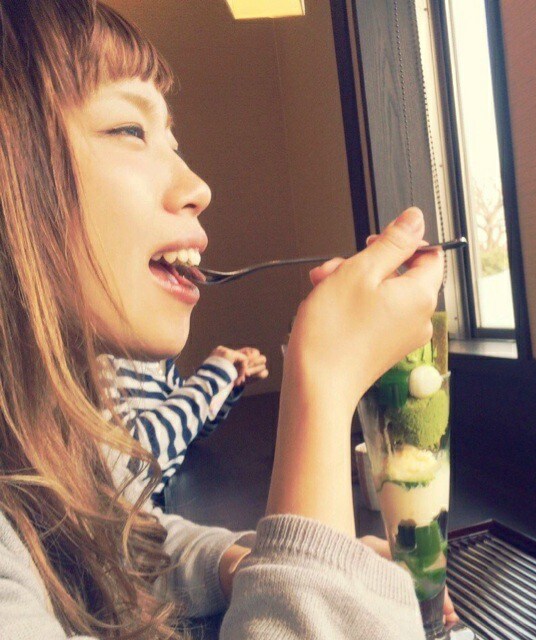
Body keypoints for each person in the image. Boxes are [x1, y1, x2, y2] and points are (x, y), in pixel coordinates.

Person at [0, 1, 455, 638]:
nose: (197, 186)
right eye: (130, 129)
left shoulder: (44, 434)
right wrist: (323, 388)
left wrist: (246, 565)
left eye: (173, 140)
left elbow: (114, 540)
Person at [101, 345, 268, 507]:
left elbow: (189, 430)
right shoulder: (102, 361)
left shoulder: (162, 363)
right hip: (126, 512)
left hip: (159, 504)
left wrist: (228, 384)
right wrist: (212, 378)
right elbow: (131, 463)